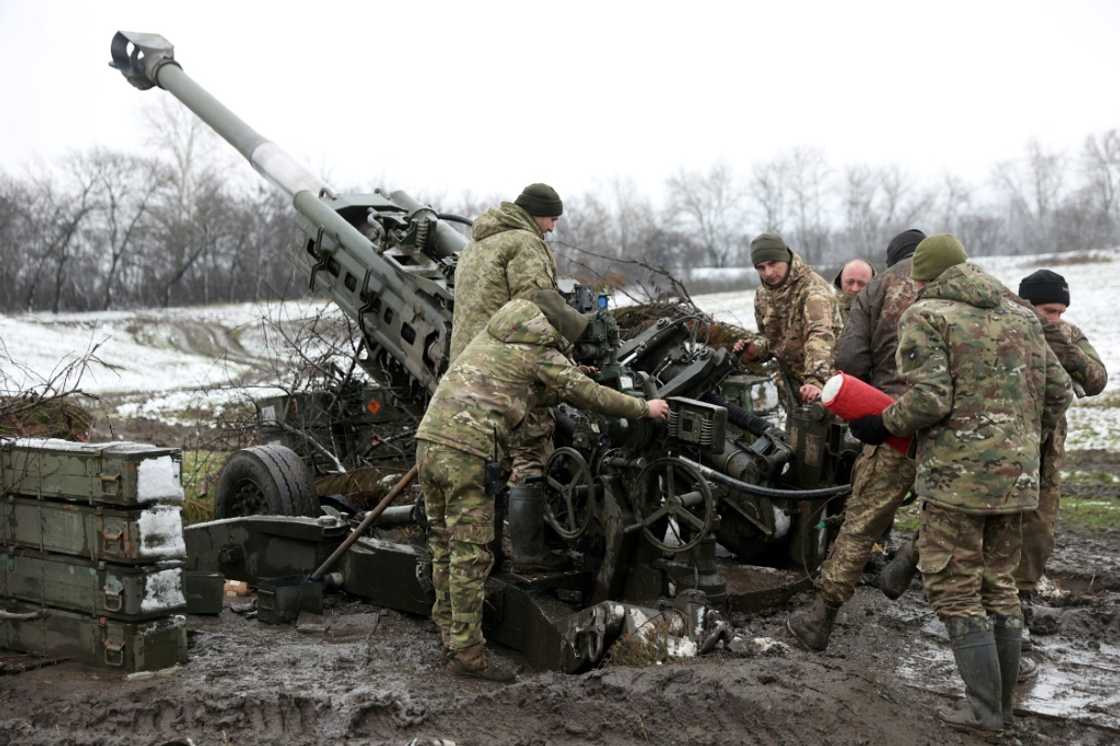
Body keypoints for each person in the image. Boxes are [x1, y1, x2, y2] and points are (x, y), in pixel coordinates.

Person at [847, 235, 1072, 733]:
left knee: (955, 590)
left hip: (957, 482)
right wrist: (1018, 439)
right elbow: (1058, 392)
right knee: (1000, 587)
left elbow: (928, 400)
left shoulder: (927, 316)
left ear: (924, 279)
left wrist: (881, 424)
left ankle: (988, 717)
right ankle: (1002, 710)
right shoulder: (1020, 316)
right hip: (1018, 481)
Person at [416, 289, 670, 682]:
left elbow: (520, 384)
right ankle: (468, 655)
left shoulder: (495, 335)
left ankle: (450, 635)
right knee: (471, 555)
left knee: (442, 544)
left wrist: (564, 379)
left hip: (429, 442)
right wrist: (643, 407)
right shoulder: (540, 350)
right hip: (467, 452)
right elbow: (589, 396)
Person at [786, 229, 924, 651]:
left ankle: (820, 617)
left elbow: (849, 360)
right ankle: (912, 555)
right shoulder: (958, 283)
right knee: (951, 507)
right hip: (952, 424)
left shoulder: (880, 289)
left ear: (891, 259)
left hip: (892, 419)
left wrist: (867, 403)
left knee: (861, 521)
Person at [450, 183, 565, 488]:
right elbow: (537, 307)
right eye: (551, 219)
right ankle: (531, 536)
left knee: (487, 458)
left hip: (468, 364)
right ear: (536, 214)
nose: (552, 228)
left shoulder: (474, 245)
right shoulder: (525, 243)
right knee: (531, 453)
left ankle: (488, 533)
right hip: (509, 365)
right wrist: (567, 350)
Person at [1014, 270, 1107, 614]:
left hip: (1048, 441)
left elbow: (1097, 379)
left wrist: (1060, 344)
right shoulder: (1005, 328)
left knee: (1040, 520)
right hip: (1004, 438)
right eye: (1047, 311)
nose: (1054, 318)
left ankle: (1023, 592)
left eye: (1059, 312)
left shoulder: (1067, 335)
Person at [733, 232, 840, 404]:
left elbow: (821, 335)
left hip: (826, 382)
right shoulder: (763, 294)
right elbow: (770, 339)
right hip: (790, 387)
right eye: (761, 268)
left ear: (786, 259)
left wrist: (815, 380)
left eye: (773, 264)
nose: (768, 272)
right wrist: (754, 348)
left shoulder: (813, 289)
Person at [832, 258, 875, 326]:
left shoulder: (881, 313)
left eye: (861, 284)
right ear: (840, 282)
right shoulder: (828, 311)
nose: (855, 289)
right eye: (850, 282)